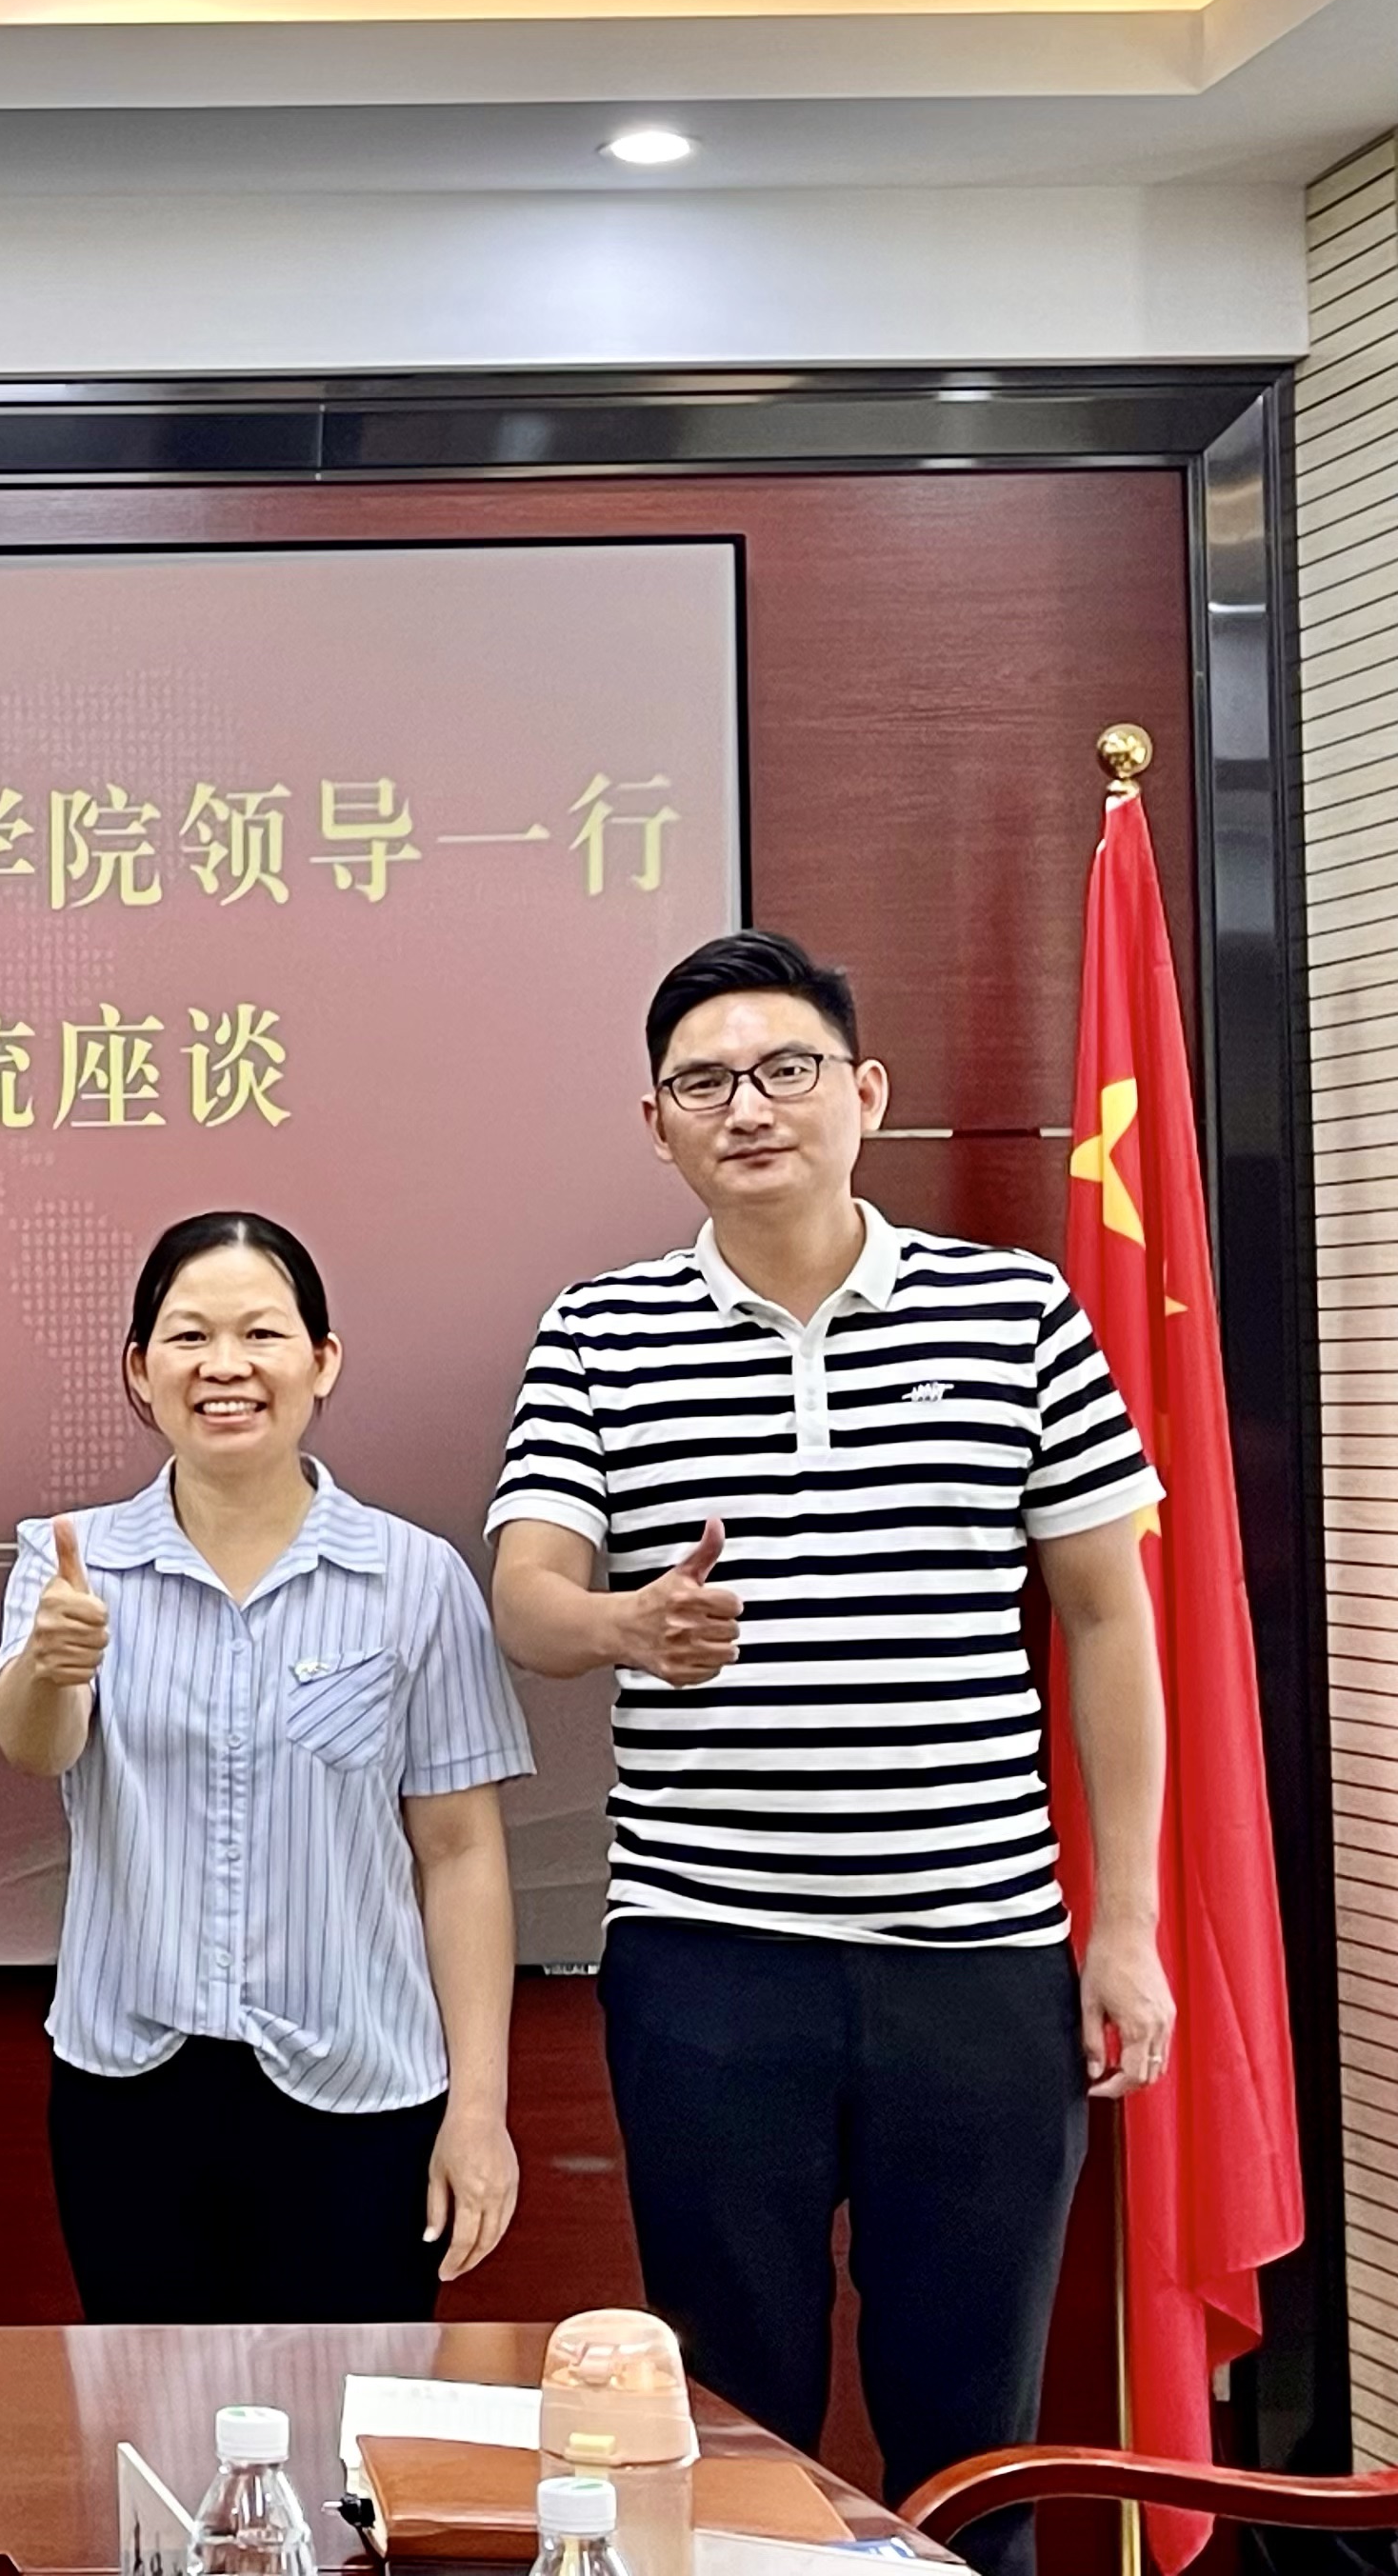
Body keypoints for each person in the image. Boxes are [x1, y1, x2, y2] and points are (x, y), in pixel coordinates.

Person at [489, 929, 1174, 2566]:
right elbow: (525, 1594)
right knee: (732, 2429)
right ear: (655, 1123)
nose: (748, 1107)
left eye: (784, 1068)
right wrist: (626, 1626)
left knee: (975, 2438)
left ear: (864, 1092)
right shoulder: (598, 1330)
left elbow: (1106, 1617)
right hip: (709, 1964)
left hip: (978, 1962)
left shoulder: (1012, 1309)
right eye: (703, 1083)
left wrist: (1126, 1924)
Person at [0, 1208, 531, 2324]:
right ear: (139, 1371)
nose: (225, 1366)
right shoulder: (71, 1561)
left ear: (321, 1361)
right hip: (130, 2086)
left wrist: (479, 2111)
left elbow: (460, 1852)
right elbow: (37, 1748)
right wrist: (51, 1663)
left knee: (349, 2415)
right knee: (146, 2411)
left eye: (261, 1334)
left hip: (360, 2088)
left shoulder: (414, 1578)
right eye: (189, 1337)